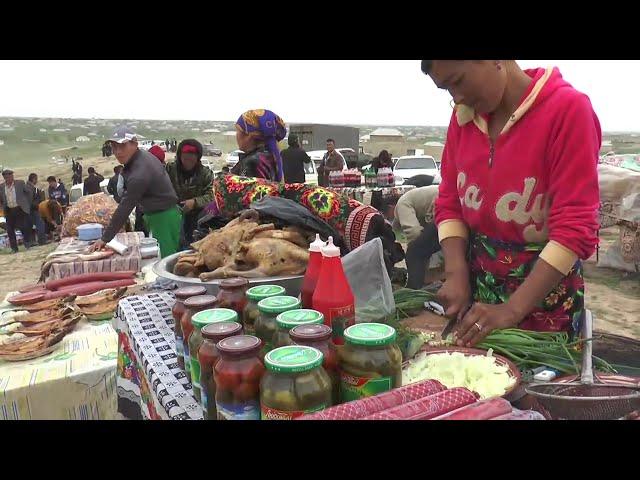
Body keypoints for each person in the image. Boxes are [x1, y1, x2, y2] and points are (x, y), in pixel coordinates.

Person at [420, 60, 601, 346]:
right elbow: (450, 201)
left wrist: (512, 309)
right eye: (446, 89)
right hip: (481, 295)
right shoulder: (464, 119)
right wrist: (456, 274)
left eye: (457, 81)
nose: (457, 98)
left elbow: (575, 227)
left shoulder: (567, 110)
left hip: (546, 301)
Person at [89, 126, 179, 258]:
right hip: (156, 214)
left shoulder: (139, 172)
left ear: (135, 144)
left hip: (163, 217)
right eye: (114, 147)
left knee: (166, 262)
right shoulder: (139, 158)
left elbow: (125, 207)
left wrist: (105, 238)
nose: (118, 152)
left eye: (122, 146)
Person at [166, 139, 214, 246]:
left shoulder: (206, 174)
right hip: (172, 216)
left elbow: (212, 195)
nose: (188, 163)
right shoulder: (169, 169)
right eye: (185, 159)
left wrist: (194, 202)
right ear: (180, 156)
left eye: (192, 160)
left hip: (197, 218)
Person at [393, 186, 440, 289]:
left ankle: (414, 289)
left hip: (444, 206)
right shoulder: (415, 205)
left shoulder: (402, 205)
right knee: (422, 248)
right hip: (446, 203)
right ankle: (423, 282)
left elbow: (414, 233)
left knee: (413, 251)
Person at [230, 109, 287, 181]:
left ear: (249, 135)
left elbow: (246, 191)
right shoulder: (270, 156)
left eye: (238, 130)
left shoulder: (251, 163)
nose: (236, 135)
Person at [0, 169, 33, 252]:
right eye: (6, 177)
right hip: (9, 209)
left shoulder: (20, 183)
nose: (8, 178)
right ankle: (14, 248)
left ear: (12, 176)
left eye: (10, 176)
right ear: (4, 177)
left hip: (20, 208)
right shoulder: (1, 186)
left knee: (24, 227)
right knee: (9, 229)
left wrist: (26, 203)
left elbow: (29, 192)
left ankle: (27, 243)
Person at [26, 173, 47, 246]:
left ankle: (31, 242)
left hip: (27, 210)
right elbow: (31, 200)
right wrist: (39, 200)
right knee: (40, 224)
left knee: (29, 226)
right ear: (33, 179)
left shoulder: (26, 187)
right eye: (36, 179)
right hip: (33, 209)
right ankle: (42, 241)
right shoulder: (31, 188)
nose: (37, 181)